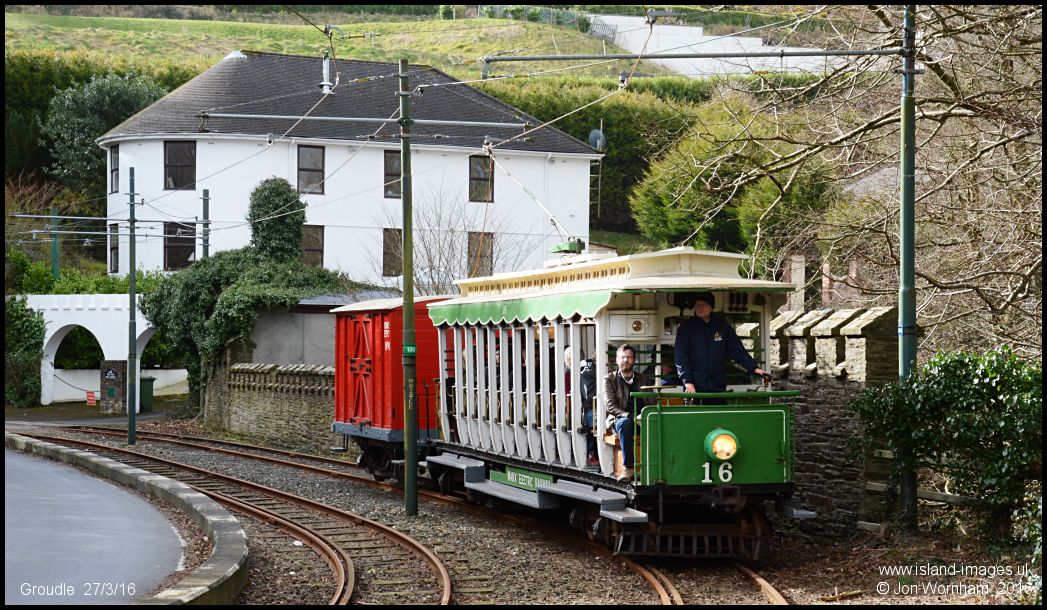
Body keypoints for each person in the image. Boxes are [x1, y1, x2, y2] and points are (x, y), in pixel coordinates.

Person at [674, 292, 766, 399]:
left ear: (711, 307)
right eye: (697, 305)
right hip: (694, 388)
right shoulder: (686, 328)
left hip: (718, 386)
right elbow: (681, 356)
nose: (700, 307)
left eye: (704, 304)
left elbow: (737, 350)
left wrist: (754, 368)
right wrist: (688, 382)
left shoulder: (722, 327)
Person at [602, 344, 648, 482]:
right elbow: (611, 407)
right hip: (620, 419)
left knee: (656, 423)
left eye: (629, 357)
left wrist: (646, 415)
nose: (625, 360)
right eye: (622, 357)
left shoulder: (643, 378)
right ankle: (629, 468)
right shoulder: (609, 379)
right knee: (625, 424)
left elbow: (651, 400)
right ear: (617, 360)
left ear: (634, 360)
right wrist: (630, 416)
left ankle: (650, 467)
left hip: (641, 418)